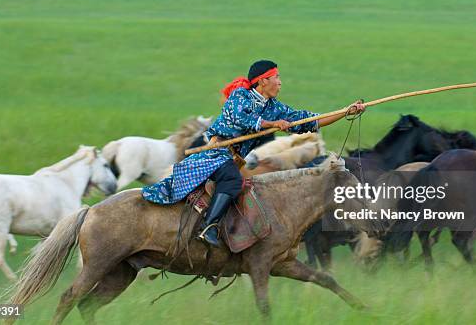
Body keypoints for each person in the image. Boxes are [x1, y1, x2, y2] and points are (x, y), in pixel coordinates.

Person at [142, 60, 365, 247]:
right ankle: (208, 227)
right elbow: (242, 119)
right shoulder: (240, 96)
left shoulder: (275, 106)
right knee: (231, 179)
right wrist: (271, 124)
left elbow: (310, 120)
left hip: (234, 158)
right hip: (215, 151)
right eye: (276, 77)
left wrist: (346, 112)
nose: (280, 82)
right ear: (263, 80)